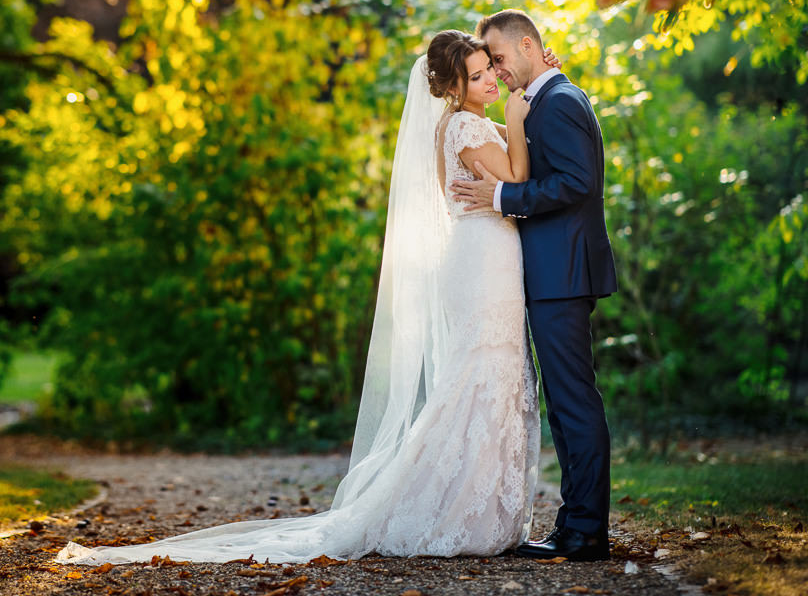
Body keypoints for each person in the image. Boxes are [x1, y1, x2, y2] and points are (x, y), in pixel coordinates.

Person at [55, 30, 554, 566]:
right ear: (453, 85)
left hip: (484, 256)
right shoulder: (464, 125)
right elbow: (519, 177)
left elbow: (512, 148)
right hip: (482, 260)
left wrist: (525, 103)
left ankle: (478, 508)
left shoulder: (463, 124)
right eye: (476, 75)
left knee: (489, 374)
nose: (487, 81)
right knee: (482, 376)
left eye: (488, 70)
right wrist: (519, 116)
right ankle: (456, 510)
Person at [452, 8, 617, 562]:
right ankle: (574, 525)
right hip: (555, 273)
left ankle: (587, 532)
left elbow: (575, 183)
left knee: (574, 403)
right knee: (566, 402)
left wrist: (500, 198)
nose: (497, 71)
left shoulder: (560, 102)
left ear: (528, 45)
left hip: (564, 274)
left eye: (498, 58)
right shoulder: (548, 99)